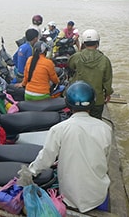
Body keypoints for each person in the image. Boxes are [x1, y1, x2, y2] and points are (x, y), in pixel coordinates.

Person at [20, 81, 112, 213]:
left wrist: (30, 172)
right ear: (92, 103)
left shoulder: (59, 129)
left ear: (68, 105)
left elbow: (46, 160)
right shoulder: (105, 129)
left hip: (70, 198)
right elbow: (105, 161)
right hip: (97, 197)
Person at [68, 29, 114, 119]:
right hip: (97, 100)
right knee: (96, 121)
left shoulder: (76, 57)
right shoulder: (104, 60)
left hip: (79, 98)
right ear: (97, 43)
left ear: (84, 43)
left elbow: (70, 67)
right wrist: (108, 94)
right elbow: (107, 80)